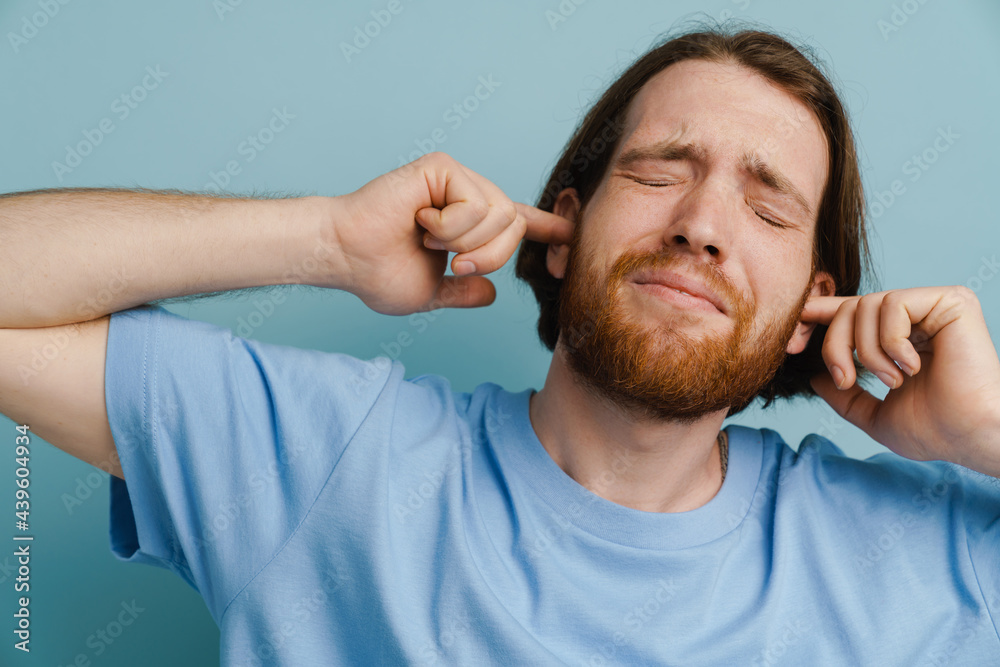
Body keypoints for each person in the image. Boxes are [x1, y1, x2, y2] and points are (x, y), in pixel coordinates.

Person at [2, 23, 999, 665]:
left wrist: (988, 432)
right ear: (562, 227)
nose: (703, 224)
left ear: (807, 309)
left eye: (766, 205)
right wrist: (328, 242)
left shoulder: (926, 552)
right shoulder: (330, 458)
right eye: (660, 170)